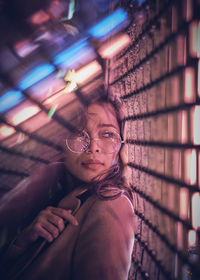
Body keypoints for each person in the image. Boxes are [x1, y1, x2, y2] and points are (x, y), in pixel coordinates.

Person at [0, 96, 135, 280]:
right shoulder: (56, 187)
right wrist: (23, 241)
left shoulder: (111, 204)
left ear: (120, 144)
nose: (93, 147)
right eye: (79, 135)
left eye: (107, 134)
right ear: (62, 143)